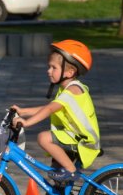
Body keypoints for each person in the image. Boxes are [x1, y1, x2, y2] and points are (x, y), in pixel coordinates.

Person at [11, 40, 101, 182]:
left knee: (43, 138)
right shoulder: (65, 89)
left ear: (70, 72)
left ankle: (71, 170)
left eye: (54, 67)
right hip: (74, 136)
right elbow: (51, 107)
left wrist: (27, 123)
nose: (49, 71)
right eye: (49, 67)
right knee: (56, 171)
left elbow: (50, 109)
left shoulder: (73, 90)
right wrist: (23, 111)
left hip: (84, 141)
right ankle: (63, 193)